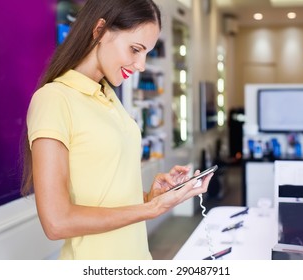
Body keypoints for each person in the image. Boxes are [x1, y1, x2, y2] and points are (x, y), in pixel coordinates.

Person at [20, 0, 214, 260]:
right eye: (135, 49)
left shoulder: (109, 96)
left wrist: (150, 197)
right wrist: (151, 209)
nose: (141, 65)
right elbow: (57, 222)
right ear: (100, 30)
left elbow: (107, 199)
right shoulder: (55, 99)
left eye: (146, 53)